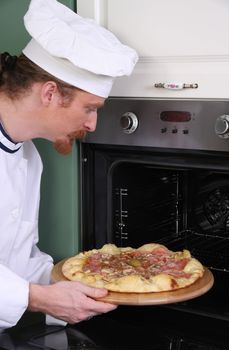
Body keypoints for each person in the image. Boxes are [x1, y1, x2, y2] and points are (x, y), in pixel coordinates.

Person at [0, 0, 138, 330]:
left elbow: (17, 261)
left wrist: (76, 284)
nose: (92, 125)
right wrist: (36, 298)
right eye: (90, 108)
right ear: (50, 93)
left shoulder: (29, 155)